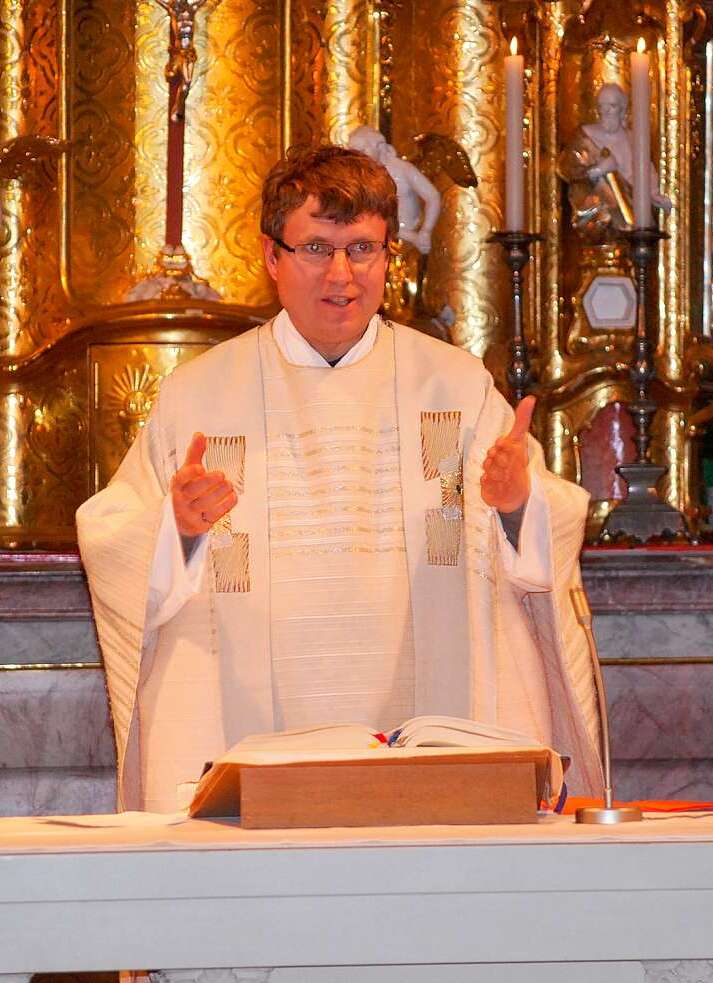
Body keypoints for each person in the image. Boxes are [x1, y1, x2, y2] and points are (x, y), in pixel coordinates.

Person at [77, 144, 602, 815]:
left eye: (363, 249)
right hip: (252, 744)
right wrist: (177, 530)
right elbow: (119, 541)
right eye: (317, 248)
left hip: (431, 743)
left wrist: (514, 506)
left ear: (389, 256)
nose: (342, 274)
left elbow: (533, 563)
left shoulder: (454, 387)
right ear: (271, 256)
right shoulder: (202, 396)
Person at [558, 82, 671, 240]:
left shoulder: (633, 138)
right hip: (598, 212)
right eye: (601, 106)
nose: (606, 112)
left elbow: (646, 171)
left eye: (611, 106)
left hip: (632, 215)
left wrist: (654, 195)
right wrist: (598, 170)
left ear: (623, 109)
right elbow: (565, 168)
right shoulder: (585, 137)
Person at [348, 126, 441, 254]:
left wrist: (426, 230)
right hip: (379, 241)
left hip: (410, 241)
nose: (359, 157)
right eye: (354, 153)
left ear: (377, 146)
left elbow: (433, 196)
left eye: (362, 150)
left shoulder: (403, 169)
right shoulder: (361, 176)